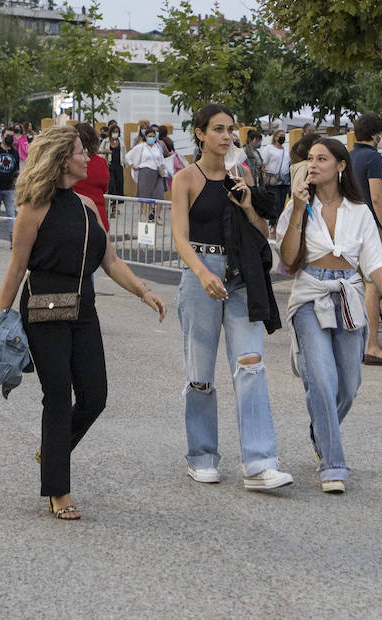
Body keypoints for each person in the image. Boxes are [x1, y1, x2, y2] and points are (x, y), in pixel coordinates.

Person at [0, 125, 165, 520]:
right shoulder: (32, 208)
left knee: (94, 397)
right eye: (80, 152)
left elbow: (111, 261)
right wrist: (1, 322)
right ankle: (58, 489)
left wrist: (143, 291)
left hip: (83, 309)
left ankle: (51, 452)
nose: (89, 157)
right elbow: (17, 267)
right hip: (43, 311)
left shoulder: (87, 209)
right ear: (61, 159)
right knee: (57, 397)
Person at [170, 103, 292, 491]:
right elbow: (179, 237)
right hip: (200, 274)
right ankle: (202, 456)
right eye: (219, 129)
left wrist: (247, 203)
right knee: (200, 374)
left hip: (240, 276)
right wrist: (203, 273)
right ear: (200, 133)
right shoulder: (185, 179)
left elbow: (260, 229)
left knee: (251, 365)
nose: (227, 136)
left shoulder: (241, 175)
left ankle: (259, 463)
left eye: (231, 130)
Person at [276, 138, 382, 492]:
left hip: (348, 294)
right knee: (321, 378)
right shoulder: (298, 205)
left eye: (322, 158)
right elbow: (287, 258)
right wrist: (298, 210)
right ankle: (333, 465)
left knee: (348, 386)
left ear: (341, 166)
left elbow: (374, 262)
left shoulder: (359, 211)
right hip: (309, 296)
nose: (313, 164)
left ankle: (320, 431)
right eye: (310, 159)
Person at [348, 113, 382, 367]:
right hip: (370, 228)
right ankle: (372, 346)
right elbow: (377, 197)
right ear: (375, 134)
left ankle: (356, 341)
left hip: (349, 228)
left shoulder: (348, 157)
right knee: (373, 285)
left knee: (356, 284)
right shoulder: (373, 157)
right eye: (381, 133)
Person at [71, 122, 111, 233]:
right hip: (99, 215)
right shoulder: (101, 162)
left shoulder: (71, 162)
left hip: (76, 215)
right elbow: (105, 187)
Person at [125, 128, 167, 200]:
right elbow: (128, 156)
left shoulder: (157, 146)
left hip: (157, 172)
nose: (152, 138)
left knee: (159, 194)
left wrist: (162, 165)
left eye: (153, 137)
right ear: (146, 137)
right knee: (145, 195)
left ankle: (156, 211)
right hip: (145, 171)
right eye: (150, 136)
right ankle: (145, 210)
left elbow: (161, 157)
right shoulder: (141, 146)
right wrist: (132, 166)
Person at [260, 130, 291, 224]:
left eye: (284, 135)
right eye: (280, 136)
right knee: (275, 202)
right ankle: (272, 224)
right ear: (275, 137)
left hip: (284, 180)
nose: (283, 137)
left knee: (282, 203)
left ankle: (279, 223)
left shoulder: (286, 150)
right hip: (272, 180)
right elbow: (263, 164)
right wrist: (263, 177)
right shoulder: (269, 148)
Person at [105, 126, 125, 198]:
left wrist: (124, 163)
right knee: (111, 185)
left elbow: (124, 152)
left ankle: (117, 206)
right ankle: (111, 202)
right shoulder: (106, 141)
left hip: (119, 166)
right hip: (109, 165)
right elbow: (100, 152)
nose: (115, 133)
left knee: (119, 184)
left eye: (117, 132)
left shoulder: (121, 142)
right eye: (114, 132)